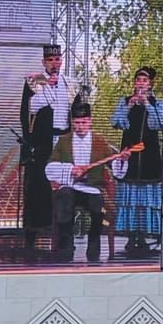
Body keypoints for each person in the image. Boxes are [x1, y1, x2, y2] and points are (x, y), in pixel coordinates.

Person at [46, 100, 129, 263]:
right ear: (72, 123)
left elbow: (114, 167)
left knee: (98, 207)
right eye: (77, 123)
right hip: (70, 186)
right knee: (63, 199)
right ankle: (66, 247)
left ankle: (93, 246)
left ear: (90, 122)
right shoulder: (63, 141)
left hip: (92, 188)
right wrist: (70, 169)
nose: (80, 126)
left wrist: (122, 160)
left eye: (84, 122)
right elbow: (50, 167)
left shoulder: (99, 142)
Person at [20, 44, 71, 255]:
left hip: (63, 142)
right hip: (42, 143)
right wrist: (47, 88)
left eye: (57, 59)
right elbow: (28, 111)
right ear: (44, 62)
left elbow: (75, 113)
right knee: (37, 189)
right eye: (50, 60)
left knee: (63, 189)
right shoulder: (33, 83)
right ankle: (32, 237)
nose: (54, 63)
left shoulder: (69, 84)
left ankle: (63, 239)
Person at [110, 66, 163, 260]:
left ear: (150, 85)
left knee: (145, 198)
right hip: (130, 154)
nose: (141, 83)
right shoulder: (125, 101)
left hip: (149, 156)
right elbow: (116, 122)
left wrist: (147, 104)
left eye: (145, 80)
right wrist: (130, 106)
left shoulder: (157, 103)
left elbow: (158, 124)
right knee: (130, 196)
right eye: (138, 80)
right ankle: (131, 235)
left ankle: (143, 236)